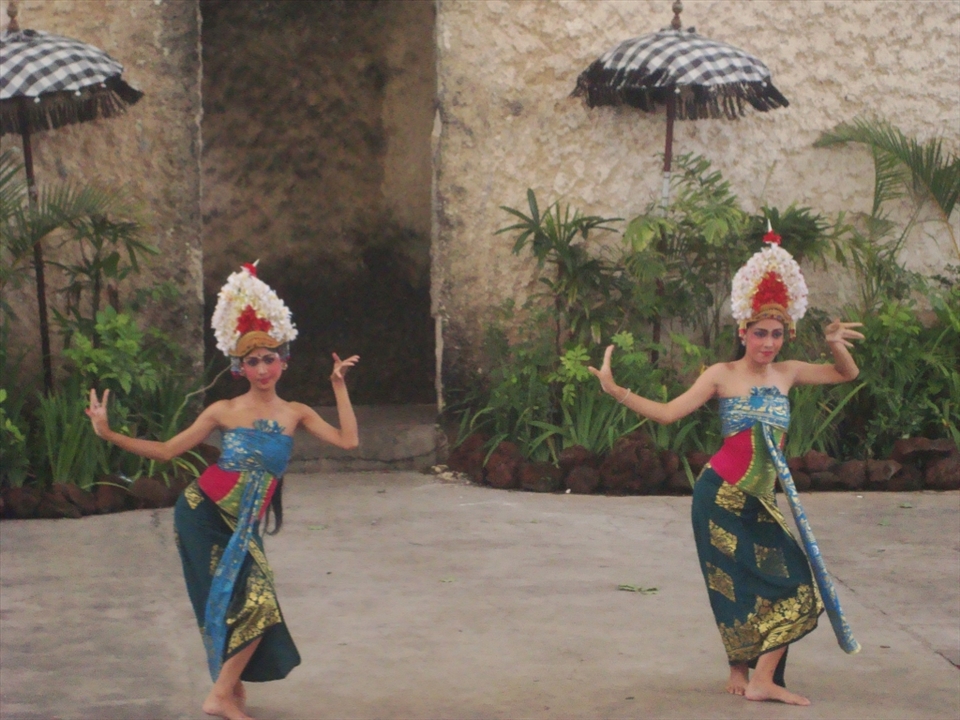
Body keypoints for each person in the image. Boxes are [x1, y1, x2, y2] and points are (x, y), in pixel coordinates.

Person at [589, 225, 864, 706]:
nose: (768, 344)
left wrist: (836, 342)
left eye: (777, 335)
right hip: (719, 494)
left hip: (762, 498)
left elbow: (846, 373)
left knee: (796, 582)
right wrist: (616, 391)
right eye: (760, 334)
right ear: (743, 332)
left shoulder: (790, 372)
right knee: (730, 582)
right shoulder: (720, 375)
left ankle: (759, 677)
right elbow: (671, 412)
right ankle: (745, 671)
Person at [86, 262, 359, 720]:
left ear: (283, 361)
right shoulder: (224, 411)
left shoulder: (296, 412)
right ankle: (221, 693)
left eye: (270, 357)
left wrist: (338, 387)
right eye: (252, 361)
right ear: (240, 368)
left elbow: (349, 441)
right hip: (203, 511)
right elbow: (169, 450)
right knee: (237, 598)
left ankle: (225, 690)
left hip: (244, 521)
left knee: (254, 599)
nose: (262, 367)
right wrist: (109, 433)